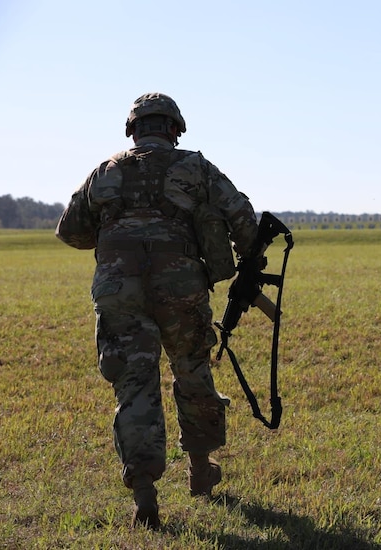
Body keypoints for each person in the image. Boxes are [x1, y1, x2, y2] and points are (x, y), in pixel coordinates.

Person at [56, 93, 261, 528]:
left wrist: (119, 230)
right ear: (175, 128)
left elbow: (70, 231)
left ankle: (145, 494)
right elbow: (243, 216)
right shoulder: (196, 167)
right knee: (192, 371)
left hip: (118, 289)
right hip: (180, 285)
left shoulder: (105, 171)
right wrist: (246, 262)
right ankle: (201, 470)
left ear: (132, 129)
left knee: (134, 385)